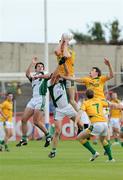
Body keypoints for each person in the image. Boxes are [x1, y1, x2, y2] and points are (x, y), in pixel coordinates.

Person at [32, 73, 83, 158]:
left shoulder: (62, 82)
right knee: (57, 132)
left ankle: (81, 137)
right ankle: (53, 151)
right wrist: (40, 76)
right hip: (59, 110)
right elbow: (49, 76)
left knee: (81, 125)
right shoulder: (50, 84)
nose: (56, 78)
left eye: (57, 77)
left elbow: (68, 74)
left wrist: (64, 63)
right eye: (54, 77)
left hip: (68, 108)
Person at [76, 89, 123, 162]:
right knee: (102, 140)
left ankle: (94, 153)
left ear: (86, 96)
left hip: (96, 124)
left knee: (79, 137)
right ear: (93, 94)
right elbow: (112, 105)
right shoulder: (99, 100)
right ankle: (111, 158)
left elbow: (80, 113)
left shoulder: (85, 103)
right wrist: (120, 107)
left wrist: (76, 122)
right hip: (104, 124)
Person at [16, 57, 52, 147]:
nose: (40, 67)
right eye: (38, 66)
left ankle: (48, 135)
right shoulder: (33, 77)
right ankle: (24, 139)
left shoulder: (44, 74)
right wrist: (32, 63)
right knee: (23, 119)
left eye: (41, 66)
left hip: (41, 99)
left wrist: (38, 75)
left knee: (36, 121)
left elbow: (49, 76)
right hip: (33, 99)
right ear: (36, 69)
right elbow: (27, 74)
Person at [52, 33, 79, 112]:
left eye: (63, 42)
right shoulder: (59, 52)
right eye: (61, 42)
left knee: (71, 100)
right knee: (61, 99)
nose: (62, 44)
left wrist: (65, 42)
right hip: (61, 76)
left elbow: (66, 55)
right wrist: (62, 40)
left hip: (69, 76)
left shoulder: (71, 52)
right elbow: (56, 51)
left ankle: (81, 115)